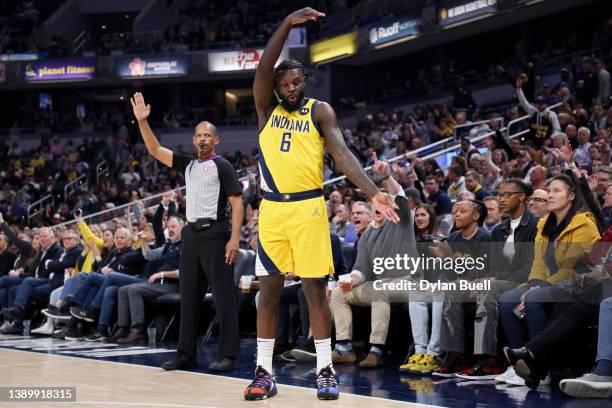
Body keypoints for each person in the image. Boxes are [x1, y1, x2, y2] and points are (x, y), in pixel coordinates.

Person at [245, 7, 398, 401]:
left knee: (316, 292)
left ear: (304, 82)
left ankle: (325, 370)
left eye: (297, 82)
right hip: (273, 211)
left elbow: (344, 156)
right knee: (269, 293)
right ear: (276, 88)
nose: (292, 88)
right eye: (285, 83)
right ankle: (264, 372)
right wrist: (285, 25)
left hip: (309, 209)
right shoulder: (266, 111)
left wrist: (372, 191)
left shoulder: (319, 111)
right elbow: (262, 69)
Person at [132, 92, 244, 372]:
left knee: (223, 297)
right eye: (199, 135)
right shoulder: (189, 165)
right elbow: (155, 150)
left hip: (216, 233)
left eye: (208, 135)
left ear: (216, 140)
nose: (203, 138)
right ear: (194, 141)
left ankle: (228, 355)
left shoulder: (223, 166)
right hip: (191, 235)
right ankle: (185, 353)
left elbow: (237, 203)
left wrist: (234, 238)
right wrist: (143, 122)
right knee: (189, 298)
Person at [499, 174, 601, 387]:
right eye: (550, 190)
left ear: (571, 196)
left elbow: (574, 267)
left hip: (574, 282)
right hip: (546, 281)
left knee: (533, 299)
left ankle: (540, 365)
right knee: (508, 300)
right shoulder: (544, 224)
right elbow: (538, 261)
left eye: (557, 191)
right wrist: (535, 282)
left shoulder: (584, 225)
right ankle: (521, 364)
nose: (551, 195)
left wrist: (539, 287)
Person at [330, 155, 415, 370]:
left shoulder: (401, 220)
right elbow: (362, 270)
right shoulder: (366, 236)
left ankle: (376, 350)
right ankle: (344, 348)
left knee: (378, 289)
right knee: (339, 293)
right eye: (378, 201)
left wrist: (386, 176)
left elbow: (400, 195)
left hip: (407, 281)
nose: (382, 204)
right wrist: (348, 280)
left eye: (387, 201)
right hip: (378, 285)